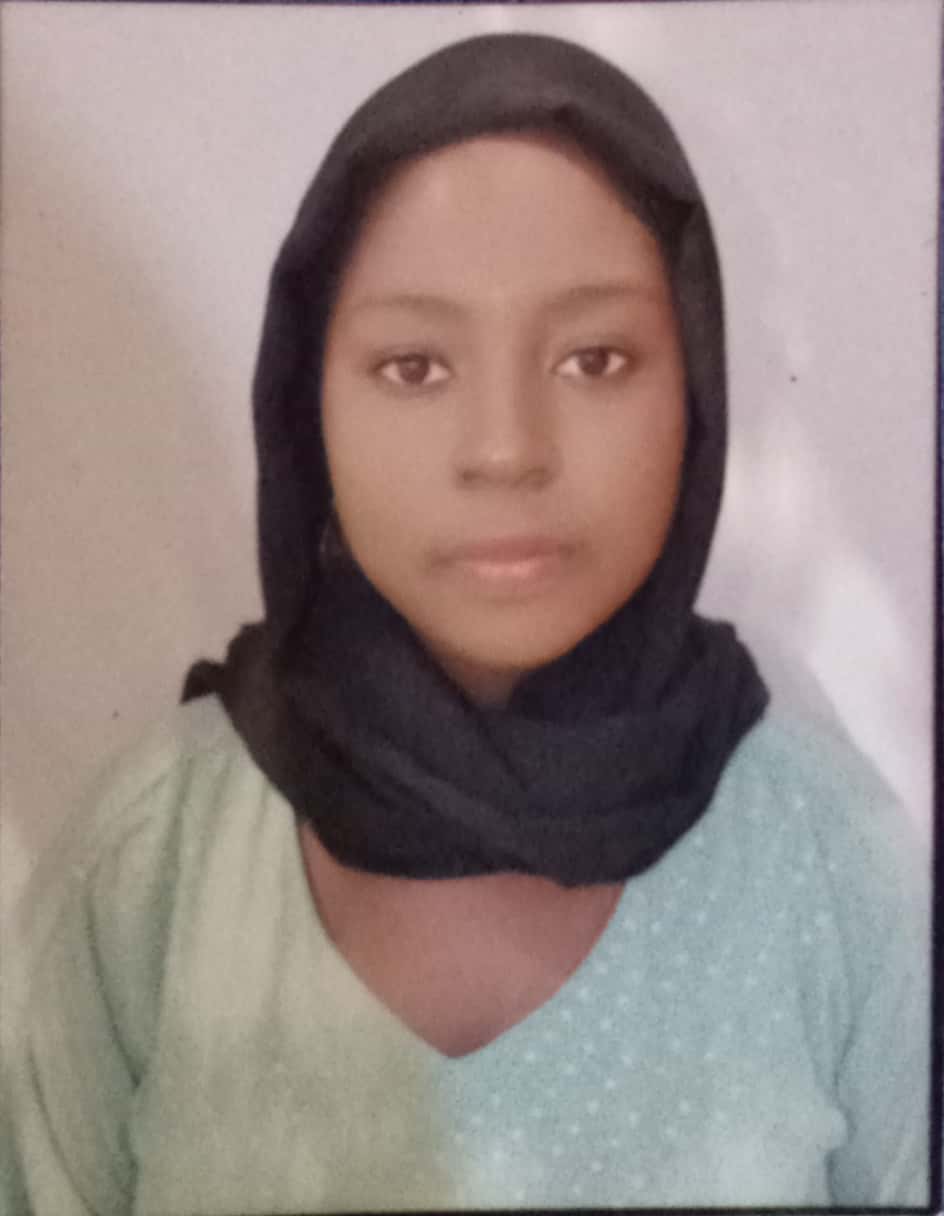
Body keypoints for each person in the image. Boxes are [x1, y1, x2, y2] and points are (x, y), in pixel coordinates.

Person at [1, 32, 930, 1213]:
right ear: (305, 403)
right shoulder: (148, 870)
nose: (504, 449)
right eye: (413, 367)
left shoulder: (829, 864)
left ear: (694, 390)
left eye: (593, 359)